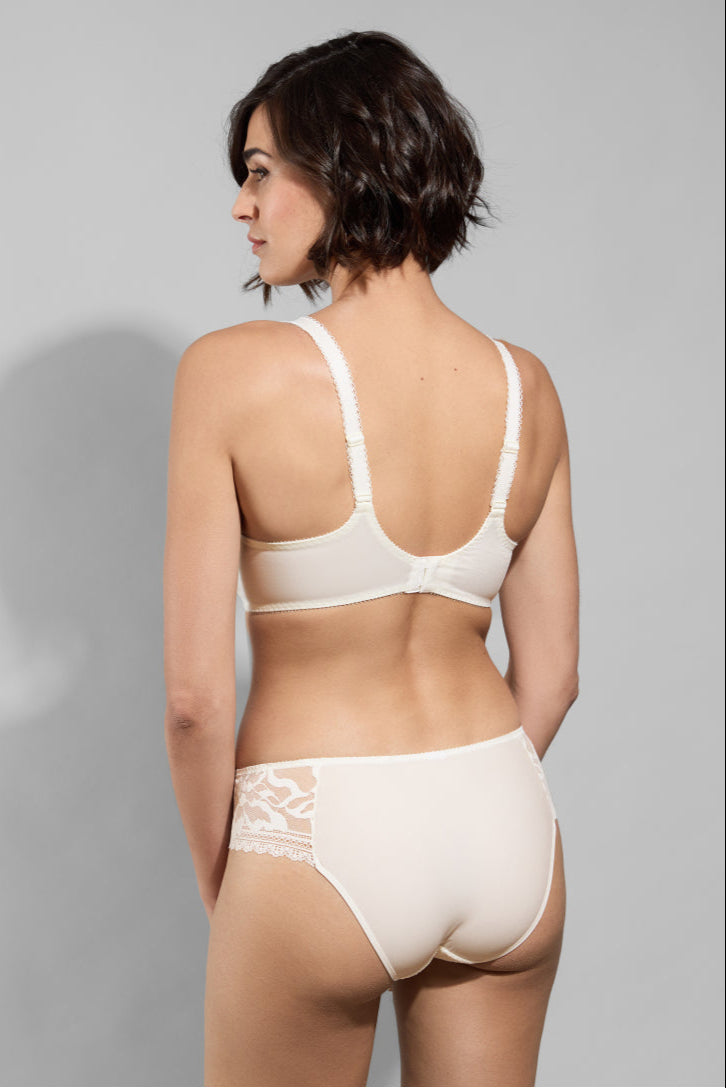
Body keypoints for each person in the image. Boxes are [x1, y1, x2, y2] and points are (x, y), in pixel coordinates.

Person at [163, 29, 579, 1088]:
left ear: (342, 165)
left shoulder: (229, 373)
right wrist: (462, 800)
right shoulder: (527, 386)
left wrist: (231, 880)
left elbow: (196, 702)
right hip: (502, 818)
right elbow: (555, 675)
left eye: (260, 172)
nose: (242, 206)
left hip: (318, 828)